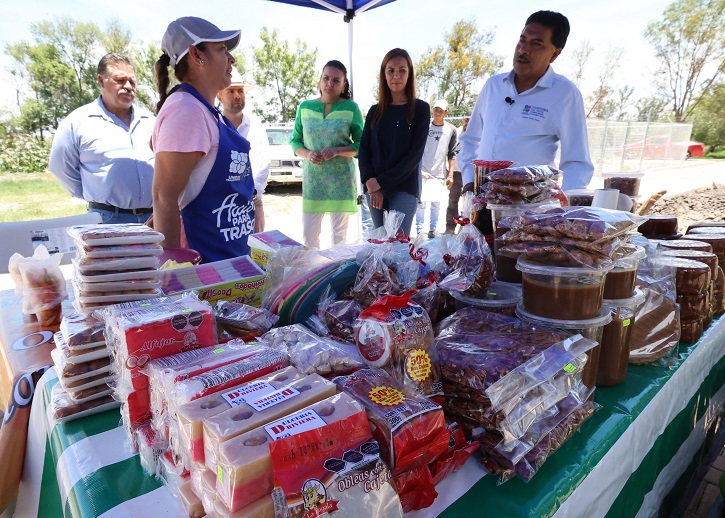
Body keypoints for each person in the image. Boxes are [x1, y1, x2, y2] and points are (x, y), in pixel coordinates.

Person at [459, 10, 594, 233]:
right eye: (522, 40)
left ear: (555, 54)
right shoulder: (494, 86)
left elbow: (577, 162)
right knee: (474, 265)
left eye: (536, 43)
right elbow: (470, 139)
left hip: (529, 216)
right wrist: (468, 183)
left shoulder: (564, 94)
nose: (524, 49)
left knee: (516, 267)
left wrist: (563, 217)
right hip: (481, 207)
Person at [152, 16, 254, 263]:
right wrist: (176, 275)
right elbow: (164, 197)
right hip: (204, 271)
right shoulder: (186, 111)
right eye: (222, 49)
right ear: (197, 55)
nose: (232, 59)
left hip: (228, 263)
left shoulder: (206, 111)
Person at [49, 53, 155, 224]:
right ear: (101, 81)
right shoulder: (78, 122)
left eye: (132, 82)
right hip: (108, 219)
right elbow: (60, 167)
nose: (128, 86)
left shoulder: (151, 121)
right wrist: (95, 195)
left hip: (153, 219)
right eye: (120, 80)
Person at [290, 60, 364, 249]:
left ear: (344, 85)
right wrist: (307, 154)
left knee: (339, 240)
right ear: (320, 80)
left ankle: (337, 276)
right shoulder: (304, 107)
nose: (329, 84)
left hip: (341, 181)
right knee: (309, 236)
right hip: (314, 182)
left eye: (336, 80)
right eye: (326, 78)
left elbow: (362, 145)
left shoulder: (351, 108)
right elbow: (295, 140)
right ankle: (313, 276)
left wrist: (338, 151)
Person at [359, 48, 430, 237]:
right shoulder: (375, 111)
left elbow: (414, 156)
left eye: (402, 70)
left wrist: (380, 182)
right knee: (380, 244)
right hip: (374, 190)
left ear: (409, 74)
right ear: (384, 74)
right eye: (391, 70)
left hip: (404, 188)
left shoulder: (421, 109)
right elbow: (364, 151)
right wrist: (370, 183)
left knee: (398, 245)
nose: (396, 76)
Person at [217, 69, 270, 233]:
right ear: (220, 96)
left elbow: (264, 165)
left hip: (253, 203)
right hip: (222, 205)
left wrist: (253, 193)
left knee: (256, 252)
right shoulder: (213, 126)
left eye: (240, 91)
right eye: (231, 91)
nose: (237, 95)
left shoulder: (256, 127)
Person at [415, 99, 457, 238]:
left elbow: (452, 153)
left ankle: (433, 230)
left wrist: (450, 174)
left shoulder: (451, 130)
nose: (437, 111)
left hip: (439, 173)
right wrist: (419, 170)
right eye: (435, 109)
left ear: (446, 112)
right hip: (423, 171)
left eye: (441, 109)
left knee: (436, 204)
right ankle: (419, 230)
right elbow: (415, 150)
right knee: (421, 203)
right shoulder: (423, 126)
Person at [444, 110, 470, 234]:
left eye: (470, 120)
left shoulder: (477, 134)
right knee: (453, 201)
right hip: (456, 173)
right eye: (466, 119)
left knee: (470, 202)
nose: (467, 123)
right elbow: (449, 151)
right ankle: (450, 227)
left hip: (470, 173)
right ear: (463, 120)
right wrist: (448, 171)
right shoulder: (456, 132)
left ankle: (467, 229)